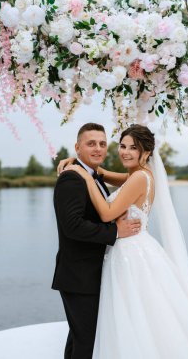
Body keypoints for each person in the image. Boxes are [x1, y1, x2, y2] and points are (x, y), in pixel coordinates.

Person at [60, 124, 188, 358]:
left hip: (129, 252)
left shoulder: (139, 177)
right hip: (137, 248)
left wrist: (85, 176)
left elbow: (108, 214)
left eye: (134, 148)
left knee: (135, 312)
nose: (126, 152)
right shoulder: (140, 175)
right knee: (140, 312)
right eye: (122, 146)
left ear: (146, 153)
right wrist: (83, 166)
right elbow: (108, 175)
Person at [52, 122, 141, 359]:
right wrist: (115, 233)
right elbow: (72, 226)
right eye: (91, 143)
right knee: (87, 342)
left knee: (81, 338)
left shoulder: (93, 176)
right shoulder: (72, 179)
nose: (98, 148)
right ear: (77, 147)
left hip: (91, 274)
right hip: (78, 276)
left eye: (102, 144)